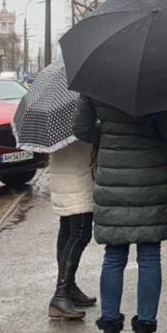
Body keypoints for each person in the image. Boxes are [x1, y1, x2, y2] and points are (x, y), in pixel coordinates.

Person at [74, 95, 167, 333]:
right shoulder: (158, 83)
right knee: (149, 257)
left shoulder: (96, 82)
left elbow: (82, 128)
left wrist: (109, 134)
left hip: (113, 178)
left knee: (113, 256)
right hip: (151, 178)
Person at [46, 133, 97, 320]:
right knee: (80, 234)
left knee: (67, 232)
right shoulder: (80, 114)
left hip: (63, 177)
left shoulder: (58, 122)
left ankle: (69, 288)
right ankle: (61, 294)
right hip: (77, 178)